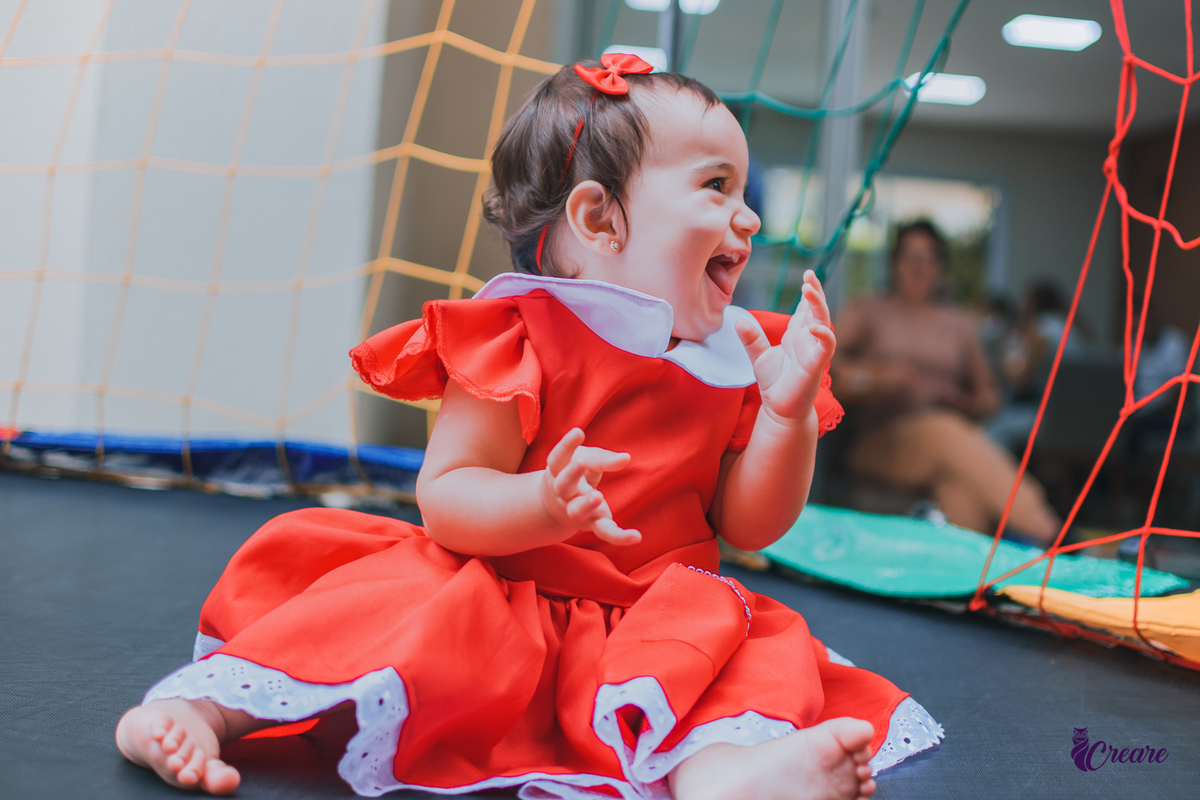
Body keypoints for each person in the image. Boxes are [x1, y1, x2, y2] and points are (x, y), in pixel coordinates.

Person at [114, 55, 941, 800]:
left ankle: (725, 779)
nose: (749, 218)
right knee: (377, 628)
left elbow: (749, 524)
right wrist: (542, 503)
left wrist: (787, 418)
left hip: (658, 619)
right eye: (716, 187)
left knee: (728, 668)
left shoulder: (732, 357)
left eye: (743, 191)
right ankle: (200, 711)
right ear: (599, 219)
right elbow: (447, 497)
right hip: (502, 599)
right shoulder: (523, 333)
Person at [833, 221, 1061, 543]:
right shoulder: (870, 310)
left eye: (928, 258)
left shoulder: (960, 324)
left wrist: (972, 404)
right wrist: (879, 375)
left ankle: (968, 570)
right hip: (882, 437)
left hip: (949, 433)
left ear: (939, 267)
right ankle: (1049, 530)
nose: (919, 267)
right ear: (895, 263)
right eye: (911, 257)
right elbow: (823, 355)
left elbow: (991, 396)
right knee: (945, 432)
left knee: (959, 488)